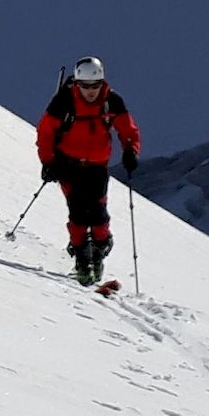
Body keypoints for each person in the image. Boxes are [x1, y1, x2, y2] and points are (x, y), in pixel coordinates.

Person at [36, 56, 141, 285]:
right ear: (77, 84)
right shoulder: (64, 102)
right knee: (78, 211)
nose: (90, 91)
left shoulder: (111, 101)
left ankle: (101, 246)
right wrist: (48, 162)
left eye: (95, 86)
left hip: (97, 167)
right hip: (67, 164)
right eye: (85, 86)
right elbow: (45, 132)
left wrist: (131, 150)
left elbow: (127, 128)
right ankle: (83, 259)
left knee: (98, 211)